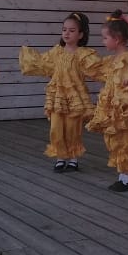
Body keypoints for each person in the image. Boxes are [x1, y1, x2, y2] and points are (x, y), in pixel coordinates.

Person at [20, 11, 102, 173]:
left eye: (72, 30)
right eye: (64, 29)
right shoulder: (56, 52)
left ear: (80, 35)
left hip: (75, 98)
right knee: (56, 128)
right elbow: (43, 63)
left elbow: (97, 69)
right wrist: (29, 57)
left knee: (72, 128)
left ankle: (73, 158)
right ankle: (60, 157)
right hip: (57, 97)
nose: (66, 33)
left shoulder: (83, 54)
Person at [86, 11, 128, 192]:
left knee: (122, 141)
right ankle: (123, 174)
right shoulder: (113, 61)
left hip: (122, 112)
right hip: (113, 110)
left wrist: (122, 108)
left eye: (105, 38)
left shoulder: (127, 61)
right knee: (113, 140)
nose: (103, 41)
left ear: (117, 39)